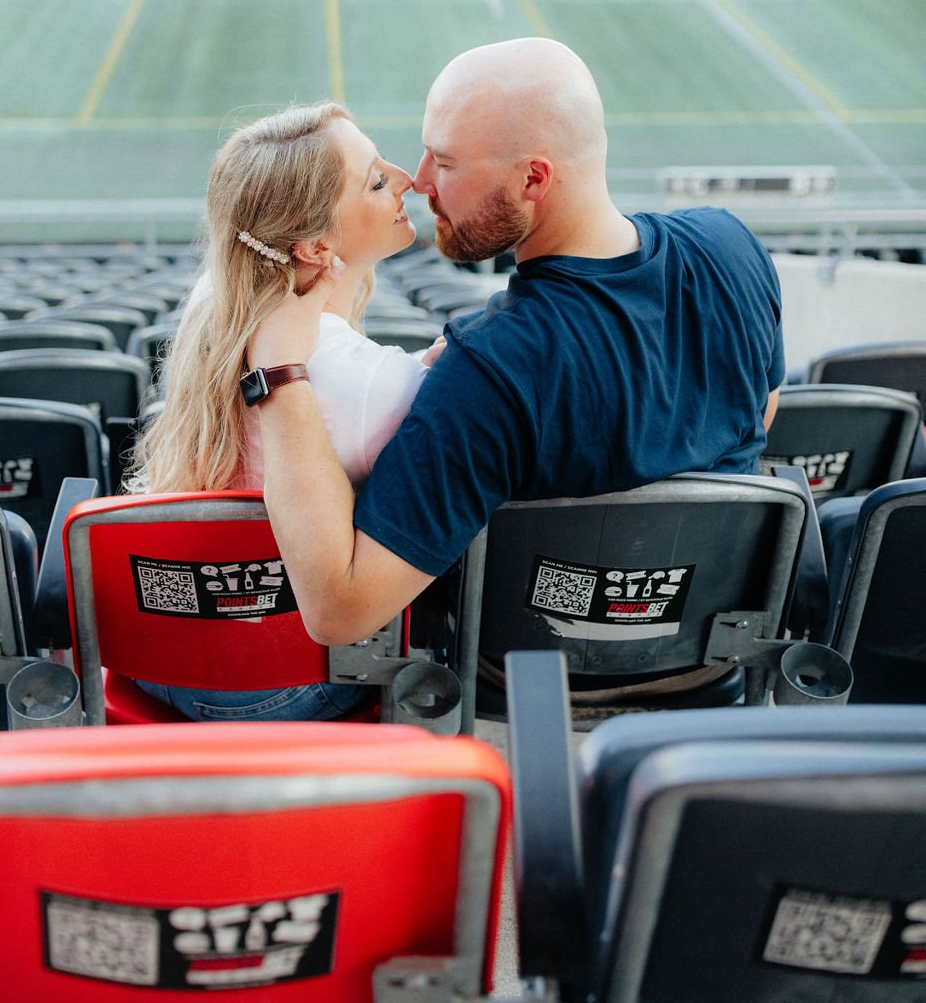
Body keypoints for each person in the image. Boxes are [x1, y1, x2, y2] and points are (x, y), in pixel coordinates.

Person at [248, 38, 785, 655]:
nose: (419, 181)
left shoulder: (484, 374)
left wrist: (279, 374)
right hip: (711, 660)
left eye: (444, 163)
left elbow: (340, 613)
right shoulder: (733, 247)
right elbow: (762, 412)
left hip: (530, 684)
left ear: (533, 178)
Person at [127, 101, 439, 720]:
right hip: (288, 681)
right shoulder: (381, 386)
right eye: (376, 180)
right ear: (316, 246)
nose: (405, 178)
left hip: (159, 659)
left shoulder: (217, 304)